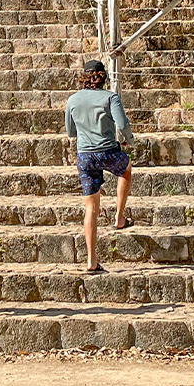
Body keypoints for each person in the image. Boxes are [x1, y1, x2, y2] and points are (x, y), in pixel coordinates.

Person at [64, 59, 135, 274]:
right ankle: (119, 217)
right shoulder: (110, 98)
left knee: (90, 208)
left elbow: (70, 132)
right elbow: (121, 124)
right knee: (126, 168)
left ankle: (91, 261)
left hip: (85, 155)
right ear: (103, 77)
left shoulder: (73, 100)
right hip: (107, 151)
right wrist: (127, 140)